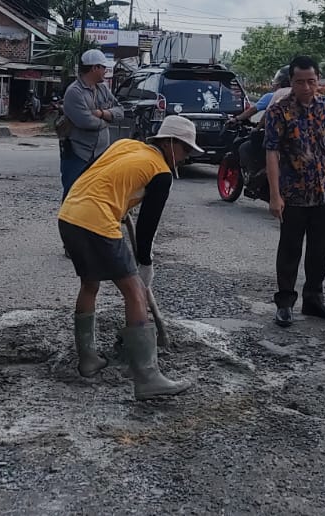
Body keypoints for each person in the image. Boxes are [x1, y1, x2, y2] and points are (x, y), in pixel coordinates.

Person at [58, 115, 202, 400]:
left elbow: (94, 173)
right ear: (171, 143)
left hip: (70, 213)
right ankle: (148, 377)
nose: (185, 157)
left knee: (90, 284)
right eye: (185, 150)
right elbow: (148, 227)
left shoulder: (125, 145)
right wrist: (145, 264)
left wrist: (119, 204)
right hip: (97, 221)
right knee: (135, 291)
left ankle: (88, 360)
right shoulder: (160, 172)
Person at [265, 55, 325, 328]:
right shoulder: (279, 111)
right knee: (290, 250)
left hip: (323, 192)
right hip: (293, 193)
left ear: (318, 80)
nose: (307, 87)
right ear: (291, 82)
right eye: (300, 82)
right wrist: (275, 195)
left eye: (311, 81)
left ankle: (313, 300)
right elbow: (272, 153)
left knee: (320, 251)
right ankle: (285, 304)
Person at [61, 49, 119, 199]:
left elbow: (120, 111)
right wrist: (108, 120)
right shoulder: (74, 92)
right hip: (78, 153)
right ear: (95, 68)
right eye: (103, 67)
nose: (106, 71)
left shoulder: (103, 89)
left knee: (94, 197)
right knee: (73, 194)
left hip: (100, 154)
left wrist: (102, 113)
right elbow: (86, 121)